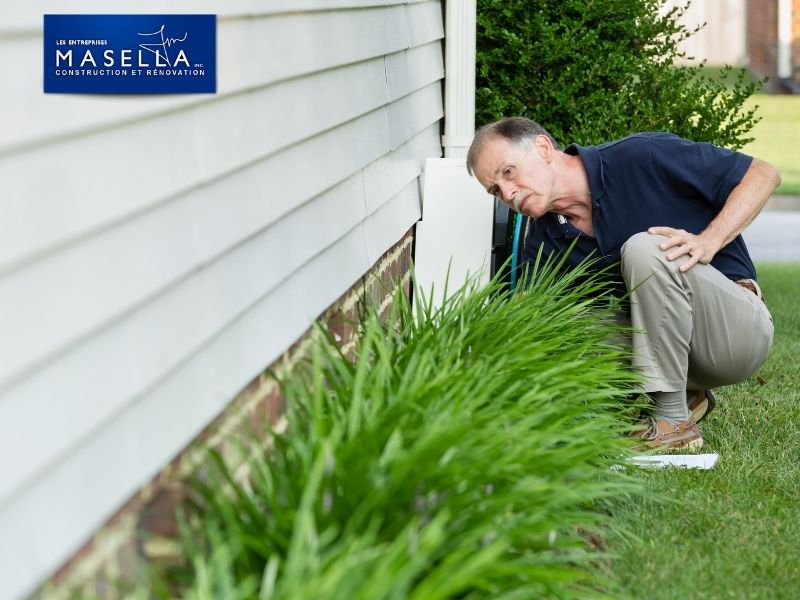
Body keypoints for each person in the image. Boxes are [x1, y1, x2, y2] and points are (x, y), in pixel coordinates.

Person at [467, 117, 779, 450]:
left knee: (646, 249)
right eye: (496, 190)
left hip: (735, 335)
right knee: (548, 324)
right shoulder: (544, 242)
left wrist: (709, 241)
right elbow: (530, 331)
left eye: (508, 172)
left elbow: (763, 174)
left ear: (543, 148)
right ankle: (680, 397)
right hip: (678, 353)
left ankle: (673, 423)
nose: (509, 194)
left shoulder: (642, 156)